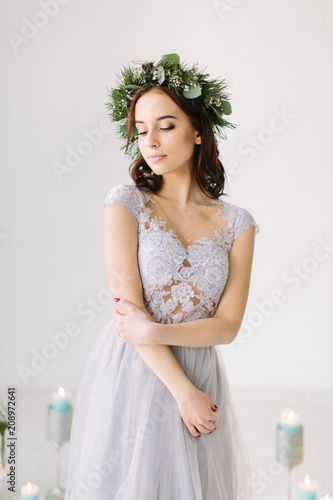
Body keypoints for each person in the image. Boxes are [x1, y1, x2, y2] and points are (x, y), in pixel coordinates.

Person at [65, 53, 260, 500]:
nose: (150, 140)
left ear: (197, 130)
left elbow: (228, 327)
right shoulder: (125, 202)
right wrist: (182, 392)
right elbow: (125, 306)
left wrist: (157, 332)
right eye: (140, 129)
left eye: (166, 125)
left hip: (200, 371)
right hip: (134, 369)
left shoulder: (239, 223)